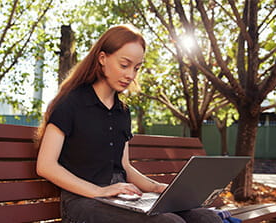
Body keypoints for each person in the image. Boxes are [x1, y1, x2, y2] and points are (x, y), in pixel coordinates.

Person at [36, 24, 222, 223]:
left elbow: (124, 167)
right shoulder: (70, 103)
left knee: (206, 218)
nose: (131, 75)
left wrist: (156, 187)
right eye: (124, 65)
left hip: (122, 199)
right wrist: (100, 191)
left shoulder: (122, 112)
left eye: (136, 68)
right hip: (82, 203)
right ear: (102, 59)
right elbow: (45, 166)